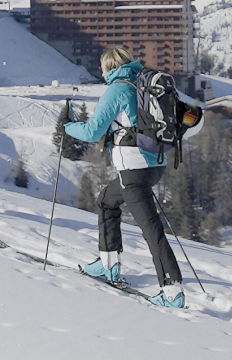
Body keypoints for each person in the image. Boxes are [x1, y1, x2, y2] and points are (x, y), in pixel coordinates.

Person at [63, 46, 186, 308]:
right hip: (155, 164)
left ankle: (172, 291)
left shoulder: (117, 89)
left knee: (151, 229)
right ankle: (108, 263)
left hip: (134, 169)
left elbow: (93, 132)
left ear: (109, 67)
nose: (101, 71)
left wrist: (67, 126)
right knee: (106, 200)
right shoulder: (142, 84)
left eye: (102, 67)